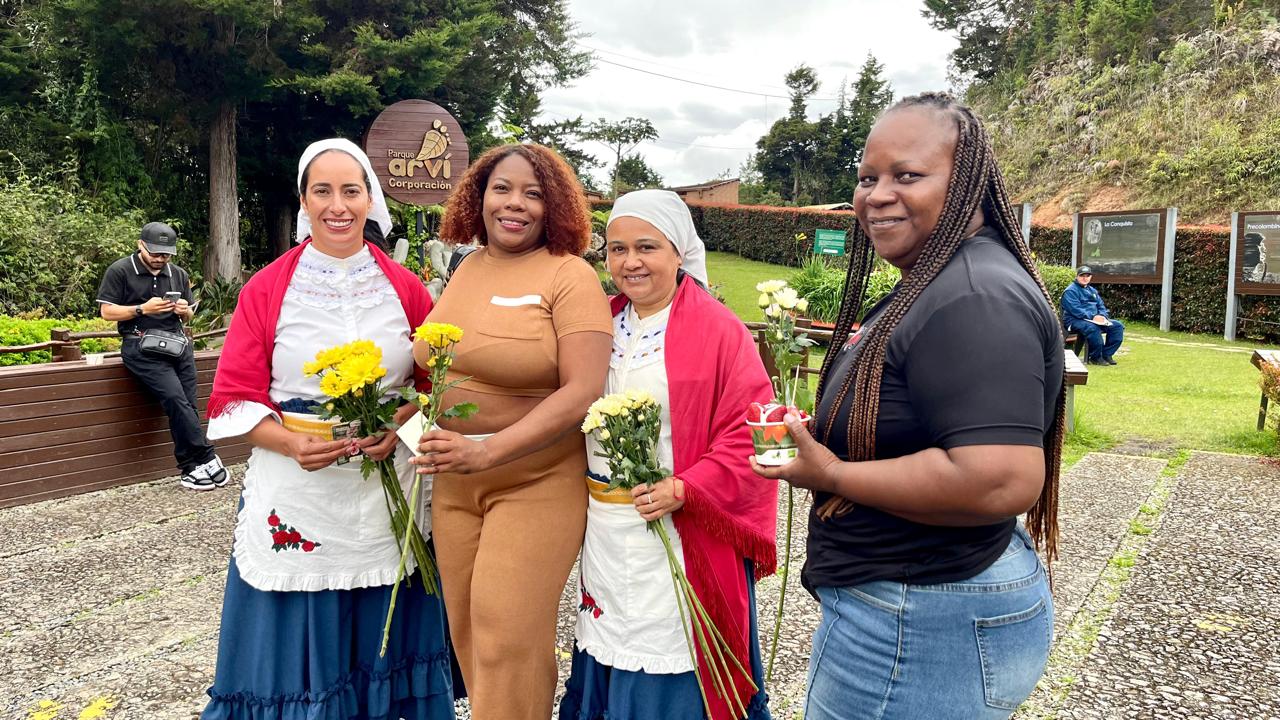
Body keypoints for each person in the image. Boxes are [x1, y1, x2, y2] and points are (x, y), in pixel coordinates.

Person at [752, 93, 1063, 719]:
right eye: (868, 178)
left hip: (920, 622)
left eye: (908, 175)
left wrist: (831, 474)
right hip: (915, 607)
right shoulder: (940, 279)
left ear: (969, 182)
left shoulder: (973, 298)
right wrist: (835, 436)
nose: (877, 195)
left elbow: (999, 478)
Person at [200, 138, 455, 719]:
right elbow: (233, 395)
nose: (337, 205)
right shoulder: (266, 289)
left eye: (351, 190)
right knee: (303, 621)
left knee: (383, 615)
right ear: (303, 200)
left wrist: (400, 426)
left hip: (385, 490)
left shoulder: (407, 288)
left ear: (370, 199)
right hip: (299, 486)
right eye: (323, 191)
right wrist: (289, 441)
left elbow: (433, 384)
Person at [409, 143, 613, 720]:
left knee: (506, 636)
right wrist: (410, 412)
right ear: (480, 195)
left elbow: (583, 390)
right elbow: (441, 360)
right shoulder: (468, 266)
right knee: (471, 633)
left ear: (554, 206)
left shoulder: (569, 276)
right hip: (455, 485)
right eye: (502, 189)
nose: (515, 204)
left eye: (533, 192)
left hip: (535, 482)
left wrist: (489, 449)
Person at [558, 189, 776, 720]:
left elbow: (752, 429)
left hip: (680, 529)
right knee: (610, 632)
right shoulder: (597, 324)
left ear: (679, 252)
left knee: (673, 641)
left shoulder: (719, 329)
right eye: (616, 249)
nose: (629, 262)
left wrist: (686, 487)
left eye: (647, 247)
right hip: (607, 527)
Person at [97, 222, 226, 491]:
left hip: (178, 345)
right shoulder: (120, 270)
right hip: (141, 346)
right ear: (140, 245)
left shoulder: (177, 273)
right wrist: (142, 309)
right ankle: (206, 457)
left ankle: (191, 469)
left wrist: (183, 310)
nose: (160, 259)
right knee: (175, 399)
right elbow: (107, 312)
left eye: (166, 254)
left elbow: (190, 313)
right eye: (155, 253)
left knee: (188, 405)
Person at [1062, 265, 1124, 365]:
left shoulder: (1092, 291)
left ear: (1090, 277)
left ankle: (1106, 354)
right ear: (1077, 276)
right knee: (1093, 328)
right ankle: (1095, 357)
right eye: (1082, 275)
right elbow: (1075, 310)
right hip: (1074, 320)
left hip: (1095, 320)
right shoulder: (1070, 291)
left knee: (1117, 326)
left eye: (1087, 276)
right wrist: (1093, 317)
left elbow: (1101, 306)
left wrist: (1103, 316)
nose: (1085, 278)